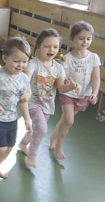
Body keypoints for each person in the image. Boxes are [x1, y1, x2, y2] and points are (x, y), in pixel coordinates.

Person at [17, 29, 80, 168]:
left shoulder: (59, 68)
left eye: (55, 47)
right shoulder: (33, 63)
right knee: (42, 129)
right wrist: (22, 87)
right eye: (47, 46)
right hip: (32, 103)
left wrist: (72, 86)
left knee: (37, 128)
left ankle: (23, 143)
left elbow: (61, 87)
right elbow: (26, 77)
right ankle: (32, 156)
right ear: (39, 47)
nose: (51, 50)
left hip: (47, 105)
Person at [0, 36, 33, 179]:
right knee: (0, 147)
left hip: (11, 118)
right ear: (5, 58)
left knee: (9, 147)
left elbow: (22, 101)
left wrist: (27, 119)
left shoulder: (23, 79)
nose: (20, 65)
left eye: (25, 61)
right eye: (16, 61)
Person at [50, 21, 101, 160]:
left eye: (88, 38)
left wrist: (94, 93)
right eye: (81, 38)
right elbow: (62, 76)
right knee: (69, 121)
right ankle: (59, 148)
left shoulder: (94, 57)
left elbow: (96, 78)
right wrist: (67, 82)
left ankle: (53, 137)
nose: (85, 42)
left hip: (83, 95)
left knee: (65, 120)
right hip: (68, 93)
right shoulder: (67, 58)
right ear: (73, 38)